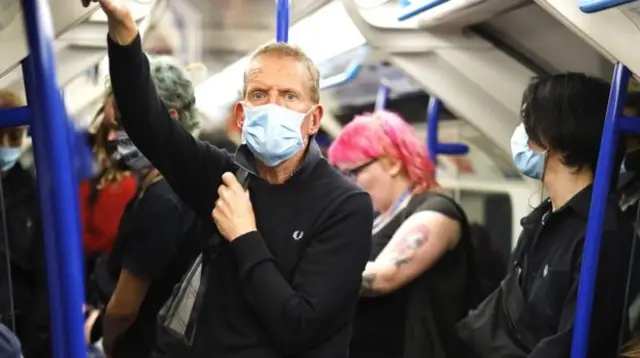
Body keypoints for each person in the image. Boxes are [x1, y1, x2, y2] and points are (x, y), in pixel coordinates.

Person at [94, 0, 373, 357]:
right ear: (242, 114)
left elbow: (300, 325)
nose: (273, 107)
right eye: (260, 95)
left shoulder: (345, 205)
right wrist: (124, 33)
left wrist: (245, 236)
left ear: (314, 119)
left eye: (289, 96)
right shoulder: (226, 179)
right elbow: (151, 126)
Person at [457, 73, 633, 358]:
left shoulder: (604, 234)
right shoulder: (542, 219)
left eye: (530, 127)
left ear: (557, 138)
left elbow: (570, 345)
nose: (521, 136)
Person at [327, 110, 474, 358]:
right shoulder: (377, 218)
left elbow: (385, 276)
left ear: (393, 163)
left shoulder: (436, 213)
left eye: (354, 172)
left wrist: (311, 270)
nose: (348, 183)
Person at [98, 59, 206, 358]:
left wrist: (107, 342)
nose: (111, 139)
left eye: (121, 124)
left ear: (168, 118)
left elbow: (125, 308)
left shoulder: (163, 200)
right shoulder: (183, 181)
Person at [0, 89, 51, 358]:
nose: (6, 145)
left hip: (22, 328)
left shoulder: (34, 193)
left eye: (15, 136)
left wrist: (33, 343)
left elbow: (44, 276)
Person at [80, 96, 138, 304]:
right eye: (109, 131)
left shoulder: (126, 185)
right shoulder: (93, 186)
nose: (113, 138)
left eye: (119, 130)